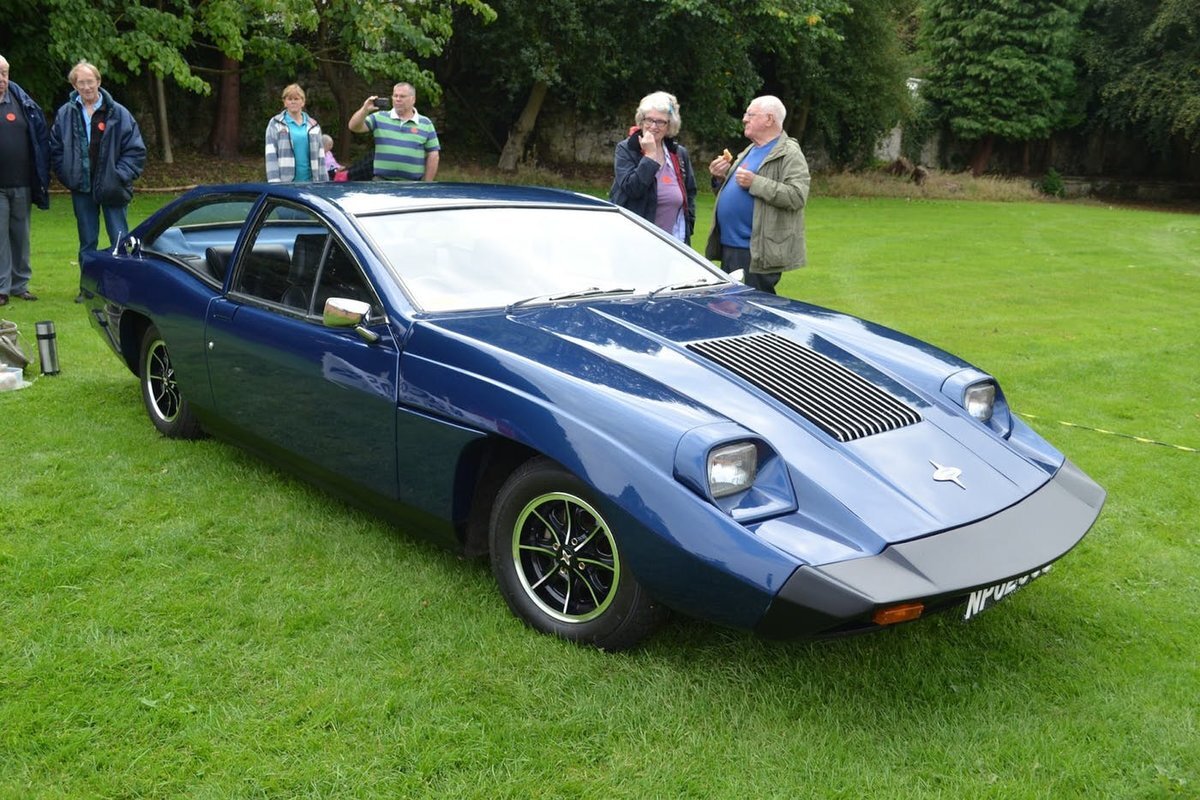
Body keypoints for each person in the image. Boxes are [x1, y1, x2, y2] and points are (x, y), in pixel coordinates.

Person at [49, 60, 145, 301]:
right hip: (82, 187)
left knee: (120, 240)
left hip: (113, 187)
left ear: (99, 82)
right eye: (81, 82)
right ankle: (89, 289)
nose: (87, 87)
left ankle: (124, 289)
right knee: (87, 241)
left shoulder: (119, 113)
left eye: (90, 81)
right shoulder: (65, 113)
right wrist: (67, 174)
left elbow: (135, 150)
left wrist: (119, 175)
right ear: (74, 85)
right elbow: (56, 149)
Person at [706, 95, 810, 294]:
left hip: (755, 252)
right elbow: (735, 191)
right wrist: (719, 178)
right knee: (728, 310)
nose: (744, 119)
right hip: (730, 246)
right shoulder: (751, 150)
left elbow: (797, 196)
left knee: (752, 313)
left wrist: (756, 182)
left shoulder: (789, 153)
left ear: (769, 119)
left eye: (750, 114)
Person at [609, 91, 697, 244]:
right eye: (649, 120)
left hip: (673, 242)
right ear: (641, 121)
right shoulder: (627, 149)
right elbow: (632, 189)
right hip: (634, 240)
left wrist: (689, 225)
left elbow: (690, 193)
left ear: (669, 125)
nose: (653, 127)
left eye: (661, 122)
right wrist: (650, 156)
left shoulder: (678, 153)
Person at [0, 54, 50, 307]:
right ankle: (2, 287)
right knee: (0, 236)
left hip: (22, 183)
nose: (1, 79)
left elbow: (40, 139)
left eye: (4, 73)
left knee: (21, 235)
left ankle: (21, 285)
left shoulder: (22, 103)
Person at [347, 82, 440, 181]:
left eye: (402, 96)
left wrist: (427, 184)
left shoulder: (426, 123)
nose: (398, 99)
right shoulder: (379, 117)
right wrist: (365, 109)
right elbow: (354, 127)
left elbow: (433, 154)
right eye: (395, 96)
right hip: (381, 183)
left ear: (413, 99)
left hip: (412, 185)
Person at [264, 84, 328, 184]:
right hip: (285, 184)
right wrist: (274, 183)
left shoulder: (314, 126)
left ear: (303, 102)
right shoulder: (275, 123)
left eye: (296, 99)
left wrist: (324, 183)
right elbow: (270, 155)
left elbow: (321, 157)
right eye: (289, 99)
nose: (293, 102)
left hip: (311, 183)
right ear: (284, 102)